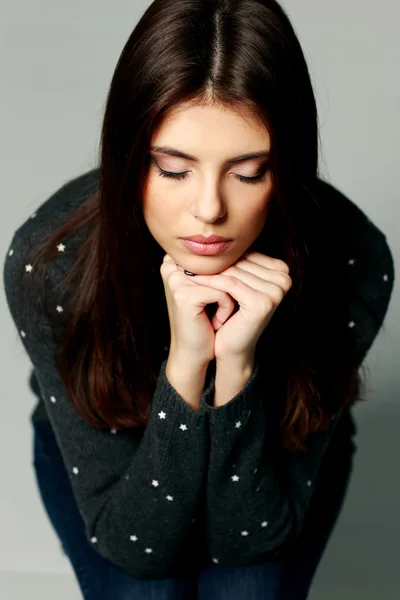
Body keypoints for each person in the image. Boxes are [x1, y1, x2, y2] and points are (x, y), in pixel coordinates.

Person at [3, 0, 395, 598]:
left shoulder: (354, 260)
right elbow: (138, 548)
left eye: (249, 172)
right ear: (128, 157)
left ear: (287, 166)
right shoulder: (50, 263)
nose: (209, 210)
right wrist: (186, 365)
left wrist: (236, 367)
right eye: (172, 168)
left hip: (274, 467)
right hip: (114, 464)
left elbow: (250, 540)